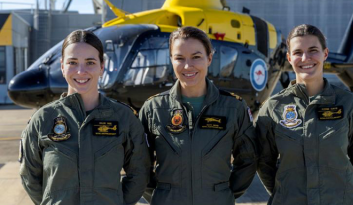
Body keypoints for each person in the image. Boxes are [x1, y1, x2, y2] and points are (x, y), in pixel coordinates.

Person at [19, 30, 150, 205]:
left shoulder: (123, 118)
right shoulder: (43, 119)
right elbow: (30, 177)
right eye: (72, 62)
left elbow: (139, 173)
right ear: (62, 67)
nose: (81, 71)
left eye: (90, 62)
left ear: (102, 66)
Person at [256, 24, 353, 205]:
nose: (305, 58)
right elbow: (264, 162)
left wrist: (343, 191)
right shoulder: (274, 108)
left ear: (325, 54)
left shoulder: (350, 105)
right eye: (298, 52)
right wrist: (286, 193)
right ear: (289, 58)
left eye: (313, 50)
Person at [139, 26, 257, 205]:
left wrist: (222, 194)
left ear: (209, 58)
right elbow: (139, 164)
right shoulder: (153, 108)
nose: (188, 66)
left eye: (196, 57)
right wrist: (162, 195)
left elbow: (248, 160)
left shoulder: (233, 107)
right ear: (171, 60)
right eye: (179, 58)